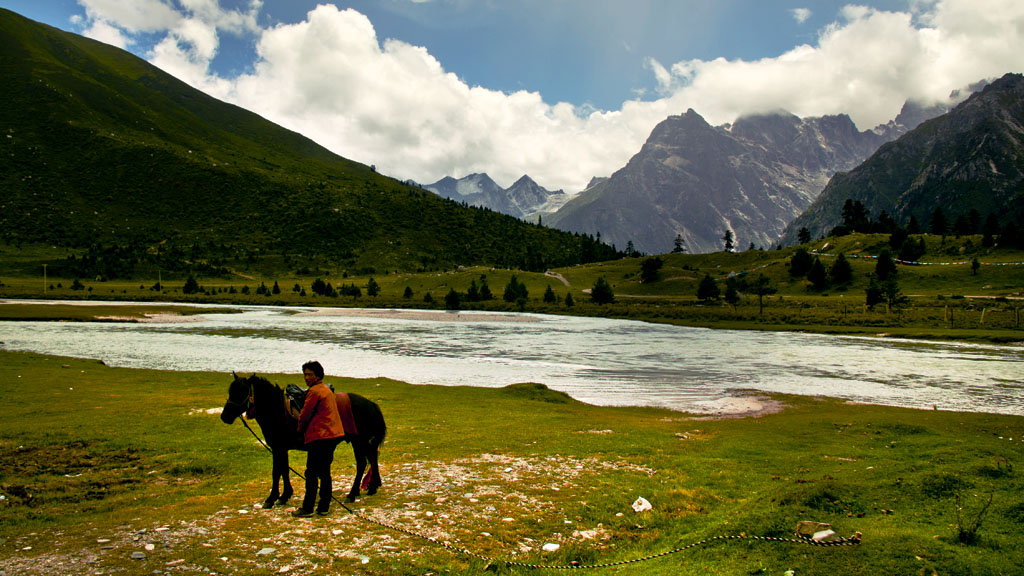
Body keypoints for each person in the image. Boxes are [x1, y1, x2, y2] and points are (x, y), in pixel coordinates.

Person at [292, 360, 344, 517]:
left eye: (310, 375)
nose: (306, 378)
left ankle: (307, 508)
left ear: (317, 376)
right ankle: (323, 506)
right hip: (332, 435)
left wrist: (299, 430)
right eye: (305, 374)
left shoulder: (314, 392)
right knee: (325, 472)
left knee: (311, 473)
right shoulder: (326, 390)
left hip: (320, 436)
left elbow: (304, 415)